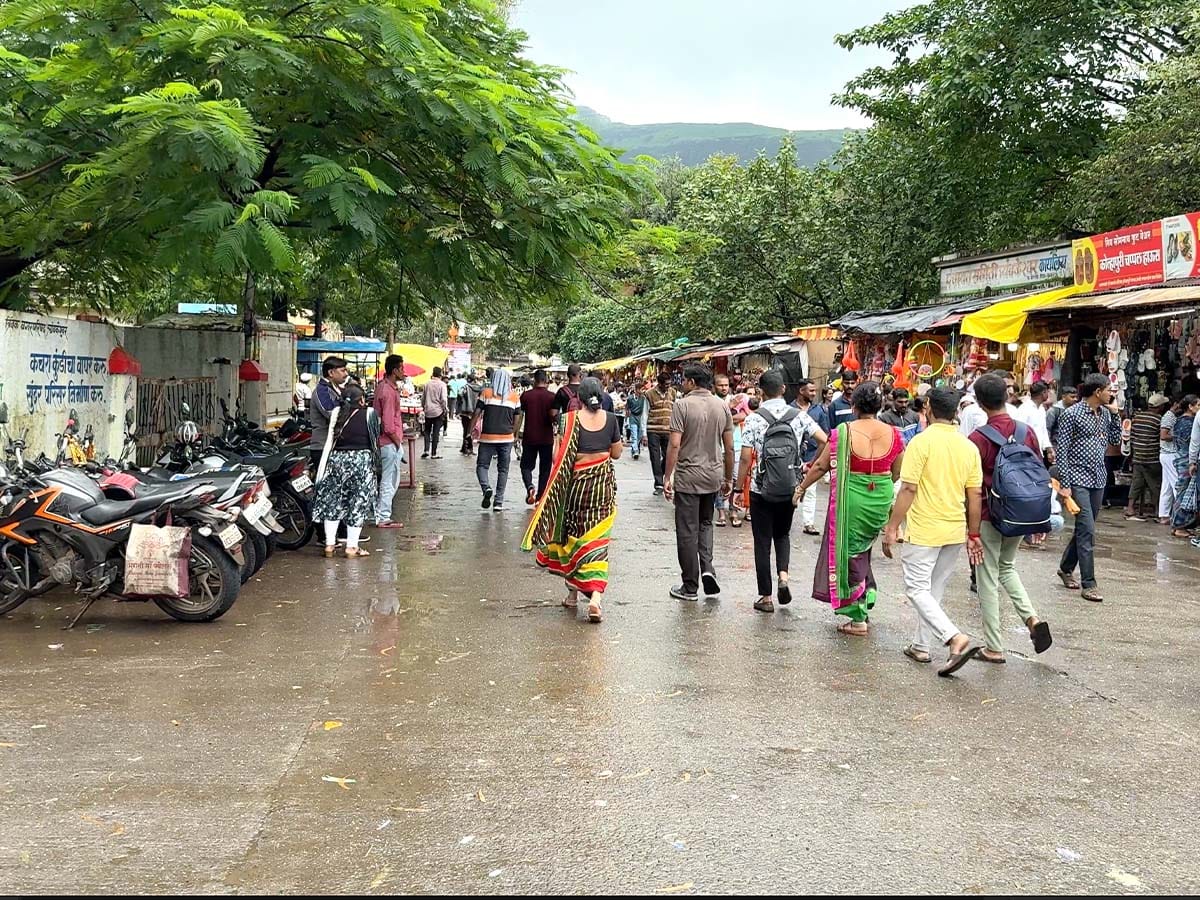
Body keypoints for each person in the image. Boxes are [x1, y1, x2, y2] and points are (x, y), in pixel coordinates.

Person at [882, 387, 985, 676]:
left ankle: (954, 638)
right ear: (956, 412)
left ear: (927, 407)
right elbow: (974, 493)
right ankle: (920, 645)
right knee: (933, 590)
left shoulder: (920, 442)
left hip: (925, 528)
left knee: (917, 589)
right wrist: (973, 532)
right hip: (954, 528)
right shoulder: (968, 446)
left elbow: (908, 487)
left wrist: (892, 527)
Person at [796, 382, 903, 635]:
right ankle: (868, 593)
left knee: (850, 553)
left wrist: (801, 488)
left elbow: (821, 467)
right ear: (879, 406)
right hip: (881, 495)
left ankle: (858, 619)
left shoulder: (843, 432)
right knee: (863, 548)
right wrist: (878, 484)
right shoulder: (894, 433)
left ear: (853, 406)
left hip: (853, 497)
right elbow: (897, 471)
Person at [966, 374, 1054, 662]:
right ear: (1007, 397)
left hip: (991, 514)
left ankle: (994, 646)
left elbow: (973, 488)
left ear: (980, 403)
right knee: (1007, 567)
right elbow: (1038, 471)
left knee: (987, 578)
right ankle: (1031, 618)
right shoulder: (1026, 431)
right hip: (1021, 513)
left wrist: (973, 530)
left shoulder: (977, 438)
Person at [522, 378, 624, 624]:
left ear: (579, 398)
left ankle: (572, 594)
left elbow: (559, 456)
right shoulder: (611, 420)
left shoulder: (569, 420)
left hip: (576, 489)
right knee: (596, 542)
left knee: (572, 537)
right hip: (601, 489)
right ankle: (596, 597)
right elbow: (617, 454)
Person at [736, 370, 826, 613]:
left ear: (761, 392)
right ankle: (783, 577)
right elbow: (825, 440)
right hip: (790, 486)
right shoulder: (799, 416)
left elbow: (745, 458)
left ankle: (765, 597)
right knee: (783, 535)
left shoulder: (754, 419)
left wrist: (737, 488)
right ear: (784, 389)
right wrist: (807, 467)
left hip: (760, 488)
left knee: (762, 541)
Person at [664, 363, 734, 602]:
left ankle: (690, 586)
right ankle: (707, 569)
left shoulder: (681, 405)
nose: (683, 384)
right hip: (713, 476)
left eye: (684, 380)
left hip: (688, 477)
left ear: (692, 382)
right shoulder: (722, 406)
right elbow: (730, 447)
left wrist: (667, 476)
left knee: (686, 530)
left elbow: (674, 444)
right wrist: (728, 477)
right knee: (706, 523)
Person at [1053, 373, 1122, 602]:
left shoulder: (1104, 414)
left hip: (1098, 477)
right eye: (1108, 389)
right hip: (1076, 477)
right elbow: (1061, 450)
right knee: (1087, 530)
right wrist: (1064, 484)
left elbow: (1115, 439)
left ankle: (1065, 567)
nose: (1111, 393)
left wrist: (1116, 414)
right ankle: (1089, 583)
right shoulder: (1071, 414)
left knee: (1085, 527)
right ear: (1097, 391)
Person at [313, 385, 380, 559]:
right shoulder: (370, 413)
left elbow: (330, 439)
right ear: (362, 400)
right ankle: (351, 547)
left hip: (336, 460)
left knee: (333, 502)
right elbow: (375, 440)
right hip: (361, 461)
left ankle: (329, 545)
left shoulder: (336, 412)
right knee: (357, 503)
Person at [473, 368, 522, 512]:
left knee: (482, 466)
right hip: (506, 438)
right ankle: (498, 502)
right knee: (503, 470)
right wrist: (514, 433)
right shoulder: (514, 397)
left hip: (488, 437)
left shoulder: (486, 393)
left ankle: (486, 487)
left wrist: (470, 431)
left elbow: (477, 413)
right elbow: (517, 417)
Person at [373, 354, 407, 529]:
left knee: (389, 479)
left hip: (386, 442)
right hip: (388, 442)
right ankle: (383, 516)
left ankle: (380, 513)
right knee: (389, 480)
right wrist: (397, 442)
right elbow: (387, 425)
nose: (404, 372)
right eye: (402, 368)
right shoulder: (387, 391)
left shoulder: (384, 387)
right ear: (395, 370)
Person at [792, 378, 829, 537]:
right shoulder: (790, 409)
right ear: (801, 391)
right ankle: (787, 521)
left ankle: (809, 523)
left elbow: (825, 434)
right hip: (793, 456)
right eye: (811, 390)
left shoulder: (819, 411)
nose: (814, 393)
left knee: (811, 489)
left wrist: (817, 460)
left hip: (813, 455)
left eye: (815, 391)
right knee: (791, 489)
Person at [519, 369, 559, 504]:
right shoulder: (552, 397)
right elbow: (554, 416)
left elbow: (521, 414)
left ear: (534, 381)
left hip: (529, 436)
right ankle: (540, 497)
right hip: (546, 438)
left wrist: (515, 433)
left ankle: (529, 485)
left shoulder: (526, 396)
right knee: (545, 468)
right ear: (546, 380)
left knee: (525, 466)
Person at [1125, 395, 1166, 521]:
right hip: (1152, 457)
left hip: (1138, 456)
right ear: (1160, 407)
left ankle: (1130, 508)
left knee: (1137, 482)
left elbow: (1132, 436)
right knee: (1156, 484)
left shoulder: (1137, 417)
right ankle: (1158, 510)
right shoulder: (1159, 419)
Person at [309, 356, 349, 470]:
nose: (346, 374)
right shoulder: (322, 390)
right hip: (323, 447)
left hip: (332, 446)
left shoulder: (334, 389)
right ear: (331, 372)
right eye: (342, 370)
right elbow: (331, 412)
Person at [646, 371, 679, 496]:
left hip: (668, 430)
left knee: (668, 455)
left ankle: (661, 473)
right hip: (653, 430)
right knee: (655, 456)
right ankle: (658, 483)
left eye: (669, 384)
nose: (668, 386)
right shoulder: (649, 394)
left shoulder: (673, 393)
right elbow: (645, 412)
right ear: (659, 384)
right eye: (666, 384)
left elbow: (675, 409)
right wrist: (643, 434)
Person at [713, 374, 736, 527]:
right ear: (714, 386)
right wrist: (730, 409)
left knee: (734, 478)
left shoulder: (738, 399)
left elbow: (746, 415)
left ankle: (733, 509)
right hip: (716, 447)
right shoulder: (712, 402)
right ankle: (721, 511)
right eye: (720, 385)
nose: (723, 388)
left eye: (726, 385)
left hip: (736, 445)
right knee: (720, 480)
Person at [1014, 381, 1053, 461]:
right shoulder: (1024, 409)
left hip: (1038, 453)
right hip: (1026, 453)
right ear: (1043, 393)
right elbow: (1018, 431)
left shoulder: (1041, 409)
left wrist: (1048, 448)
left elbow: (1043, 430)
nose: (1048, 395)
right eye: (1047, 392)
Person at [1159, 393, 1181, 524]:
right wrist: (1179, 436)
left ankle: (1164, 515)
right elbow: (1163, 435)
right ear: (1176, 404)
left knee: (1167, 486)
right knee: (1176, 484)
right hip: (1170, 454)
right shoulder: (1169, 417)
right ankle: (1180, 517)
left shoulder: (1170, 416)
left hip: (1166, 454)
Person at [420, 367, 449, 459]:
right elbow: (444, 399)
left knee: (427, 431)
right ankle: (433, 453)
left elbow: (423, 398)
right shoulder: (442, 385)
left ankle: (426, 450)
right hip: (438, 411)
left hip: (428, 410)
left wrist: (423, 407)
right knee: (436, 432)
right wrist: (445, 409)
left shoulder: (427, 384)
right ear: (440, 375)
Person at [553, 364, 585, 433]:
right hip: (583, 426)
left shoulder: (561, 391)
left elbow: (553, 413)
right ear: (580, 375)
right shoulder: (585, 390)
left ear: (567, 375)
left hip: (567, 427)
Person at [459, 372, 481, 456]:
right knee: (471, 430)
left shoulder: (465, 387)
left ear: (468, 379)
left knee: (466, 430)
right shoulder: (479, 388)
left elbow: (460, 394)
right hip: (475, 412)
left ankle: (466, 448)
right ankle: (468, 448)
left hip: (465, 411)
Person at [625, 384, 646, 460]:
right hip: (633, 417)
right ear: (636, 390)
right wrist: (626, 419)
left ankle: (634, 449)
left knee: (639, 436)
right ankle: (636, 451)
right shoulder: (630, 398)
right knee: (634, 435)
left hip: (640, 418)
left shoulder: (643, 398)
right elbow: (627, 408)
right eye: (640, 389)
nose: (641, 391)